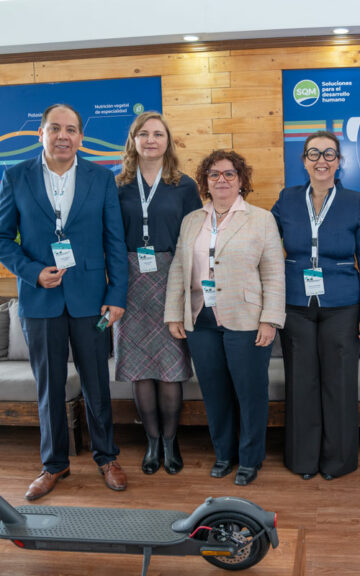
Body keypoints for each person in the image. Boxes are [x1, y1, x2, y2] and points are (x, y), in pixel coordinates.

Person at [0, 103, 129, 500]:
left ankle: (107, 457)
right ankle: (54, 464)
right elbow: (3, 238)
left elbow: (114, 241)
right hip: (40, 301)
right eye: (55, 128)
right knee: (49, 388)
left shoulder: (101, 178)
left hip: (91, 300)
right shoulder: (16, 175)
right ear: (41, 133)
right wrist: (31, 271)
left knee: (96, 385)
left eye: (71, 130)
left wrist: (116, 294)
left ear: (80, 138)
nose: (63, 136)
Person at [164, 149, 285, 486]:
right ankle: (224, 455)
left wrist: (270, 319)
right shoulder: (192, 221)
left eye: (229, 174)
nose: (221, 180)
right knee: (215, 393)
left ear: (241, 180)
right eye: (214, 174)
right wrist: (174, 312)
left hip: (247, 319)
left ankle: (249, 459)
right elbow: (179, 269)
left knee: (249, 393)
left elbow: (274, 273)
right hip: (201, 319)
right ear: (205, 180)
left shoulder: (261, 219)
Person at [271, 130, 360, 480]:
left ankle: (338, 462)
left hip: (343, 305)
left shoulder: (356, 201)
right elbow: (266, 247)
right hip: (295, 304)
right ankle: (302, 461)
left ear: (339, 161)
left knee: (340, 384)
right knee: (301, 384)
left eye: (329, 154)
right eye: (314, 153)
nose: (322, 160)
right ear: (303, 160)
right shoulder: (286, 200)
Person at [114, 112, 201, 475]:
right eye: (144, 134)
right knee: (139, 370)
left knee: (170, 369)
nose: (151, 140)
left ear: (168, 141)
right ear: (133, 140)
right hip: (129, 281)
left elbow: (195, 239)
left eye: (158, 134)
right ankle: (151, 442)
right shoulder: (116, 184)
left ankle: (170, 440)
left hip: (171, 277)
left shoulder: (184, 185)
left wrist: (190, 289)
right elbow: (110, 238)